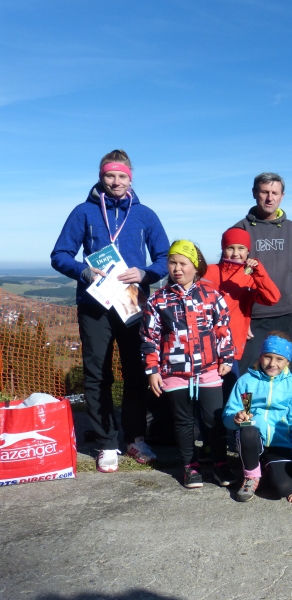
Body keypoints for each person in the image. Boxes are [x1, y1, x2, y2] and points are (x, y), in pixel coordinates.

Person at [51, 149, 169, 473]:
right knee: (97, 374)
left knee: (136, 372)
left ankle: (135, 438)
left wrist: (145, 273)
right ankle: (106, 442)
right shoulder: (83, 212)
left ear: (131, 178)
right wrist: (83, 272)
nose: (116, 182)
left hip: (132, 303)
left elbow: (163, 258)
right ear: (101, 177)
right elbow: (60, 255)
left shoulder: (145, 215)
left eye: (121, 176)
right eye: (109, 176)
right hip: (95, 306)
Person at [141, 240, 235, 489]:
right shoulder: (157, 299)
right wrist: (152, 370)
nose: (177, 268)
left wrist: (226, 357)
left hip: (209, 369)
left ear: (195, 266)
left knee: (214, 419)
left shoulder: (212, 295)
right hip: (174, 371)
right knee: (183, 422)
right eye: (172, 262)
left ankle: (220, 463)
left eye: (183, 263)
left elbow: (223, 329)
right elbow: (149, 338)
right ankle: (189, 467)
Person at [231, 172, 292, 385]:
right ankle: (247, 409)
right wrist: (239, 320)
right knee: (247, 377)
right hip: (252, 318)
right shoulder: (240, 229)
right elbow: (230, 279)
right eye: (264, 192)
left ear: (282, 196)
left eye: (275, 193)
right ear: (254, 193)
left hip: (287, 315)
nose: (269, 198)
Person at [223, 333, 292, 502]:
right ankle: (251, 476)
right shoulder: (245, 381)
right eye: (268, 357)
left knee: (284, 488)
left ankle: (265, 468)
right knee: (248, 430)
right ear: (260, 356)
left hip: (280, 444)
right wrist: (235, 418)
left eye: (279, 359)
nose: (272, 363)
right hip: (252, 440)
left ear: (288, 361)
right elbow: (227, 416)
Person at [205, 227, 281, 402]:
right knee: (207, 397)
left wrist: (259, 271)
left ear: (248, 251)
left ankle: (237, 420)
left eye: (241, 248)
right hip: (205, 344)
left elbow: (272, 298)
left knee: (232, 394)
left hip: (232, 347)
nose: (236, 253)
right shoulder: (209, 271)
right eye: (230, 248)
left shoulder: (251, 277)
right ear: (223, 249)